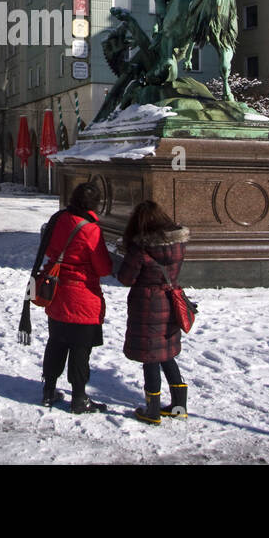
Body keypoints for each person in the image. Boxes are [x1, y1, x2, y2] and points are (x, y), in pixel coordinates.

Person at [40, 182, 113, 413]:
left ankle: (49, 392)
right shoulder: (91, 229)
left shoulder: (59, 219)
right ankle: (79, 398)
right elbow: (102, 268)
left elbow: (49, 250)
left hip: (57, 292)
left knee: (56, 343)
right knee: (80, 349)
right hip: (82, 297)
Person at [116, 200, 190, 425]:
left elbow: (125, 278)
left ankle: (153, 410)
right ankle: (179, 406)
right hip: (171, 302)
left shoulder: (141, 248)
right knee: (167, 352)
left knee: (150, 356)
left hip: (147, 305)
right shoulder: (178, 244)